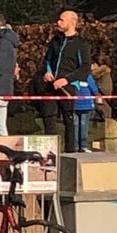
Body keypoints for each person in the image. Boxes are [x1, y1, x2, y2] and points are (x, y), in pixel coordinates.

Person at [40, 9, 92, 152]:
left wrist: (67, 80)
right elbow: (47, 60)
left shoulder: (81, 44)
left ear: (72, 22)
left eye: (62, 20)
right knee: (48, 117)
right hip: (51, 86)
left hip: (68, 88)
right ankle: (49, 153)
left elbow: (85, 68)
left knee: (69, 121)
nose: (58, 22)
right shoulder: (55, 41)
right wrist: (47, 72)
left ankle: (71, 152)